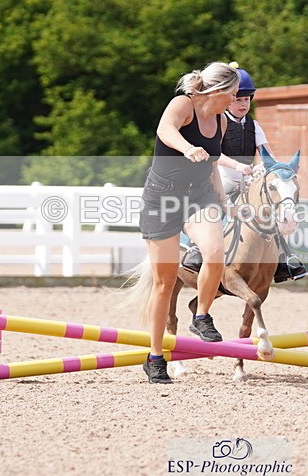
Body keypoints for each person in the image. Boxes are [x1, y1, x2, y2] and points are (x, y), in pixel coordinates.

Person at [138, 61, 240, 384]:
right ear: (218, 91)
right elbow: (164, 130)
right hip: (163, 199)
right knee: (165, 283)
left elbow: (211, 163)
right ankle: (155, 357)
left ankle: (202, 315)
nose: (236, 101)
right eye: (234, 95)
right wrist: (186, 147)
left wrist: (222, 197)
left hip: (199, 196)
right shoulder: (183, 104)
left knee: (215, 252)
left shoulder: (221, 121)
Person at [181, 64, 308, 283]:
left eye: (247, 100)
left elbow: (267, 154)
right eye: (238, 100)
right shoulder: (217, 123)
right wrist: (237, 166)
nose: (243, 104)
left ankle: (283, 259)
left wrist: (277, 170)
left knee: (268, 210)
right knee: (213, 209)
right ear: (228, 100)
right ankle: (193, 249)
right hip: (221, 176)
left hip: (248, 180)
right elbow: (214, 155)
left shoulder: (254, 125)